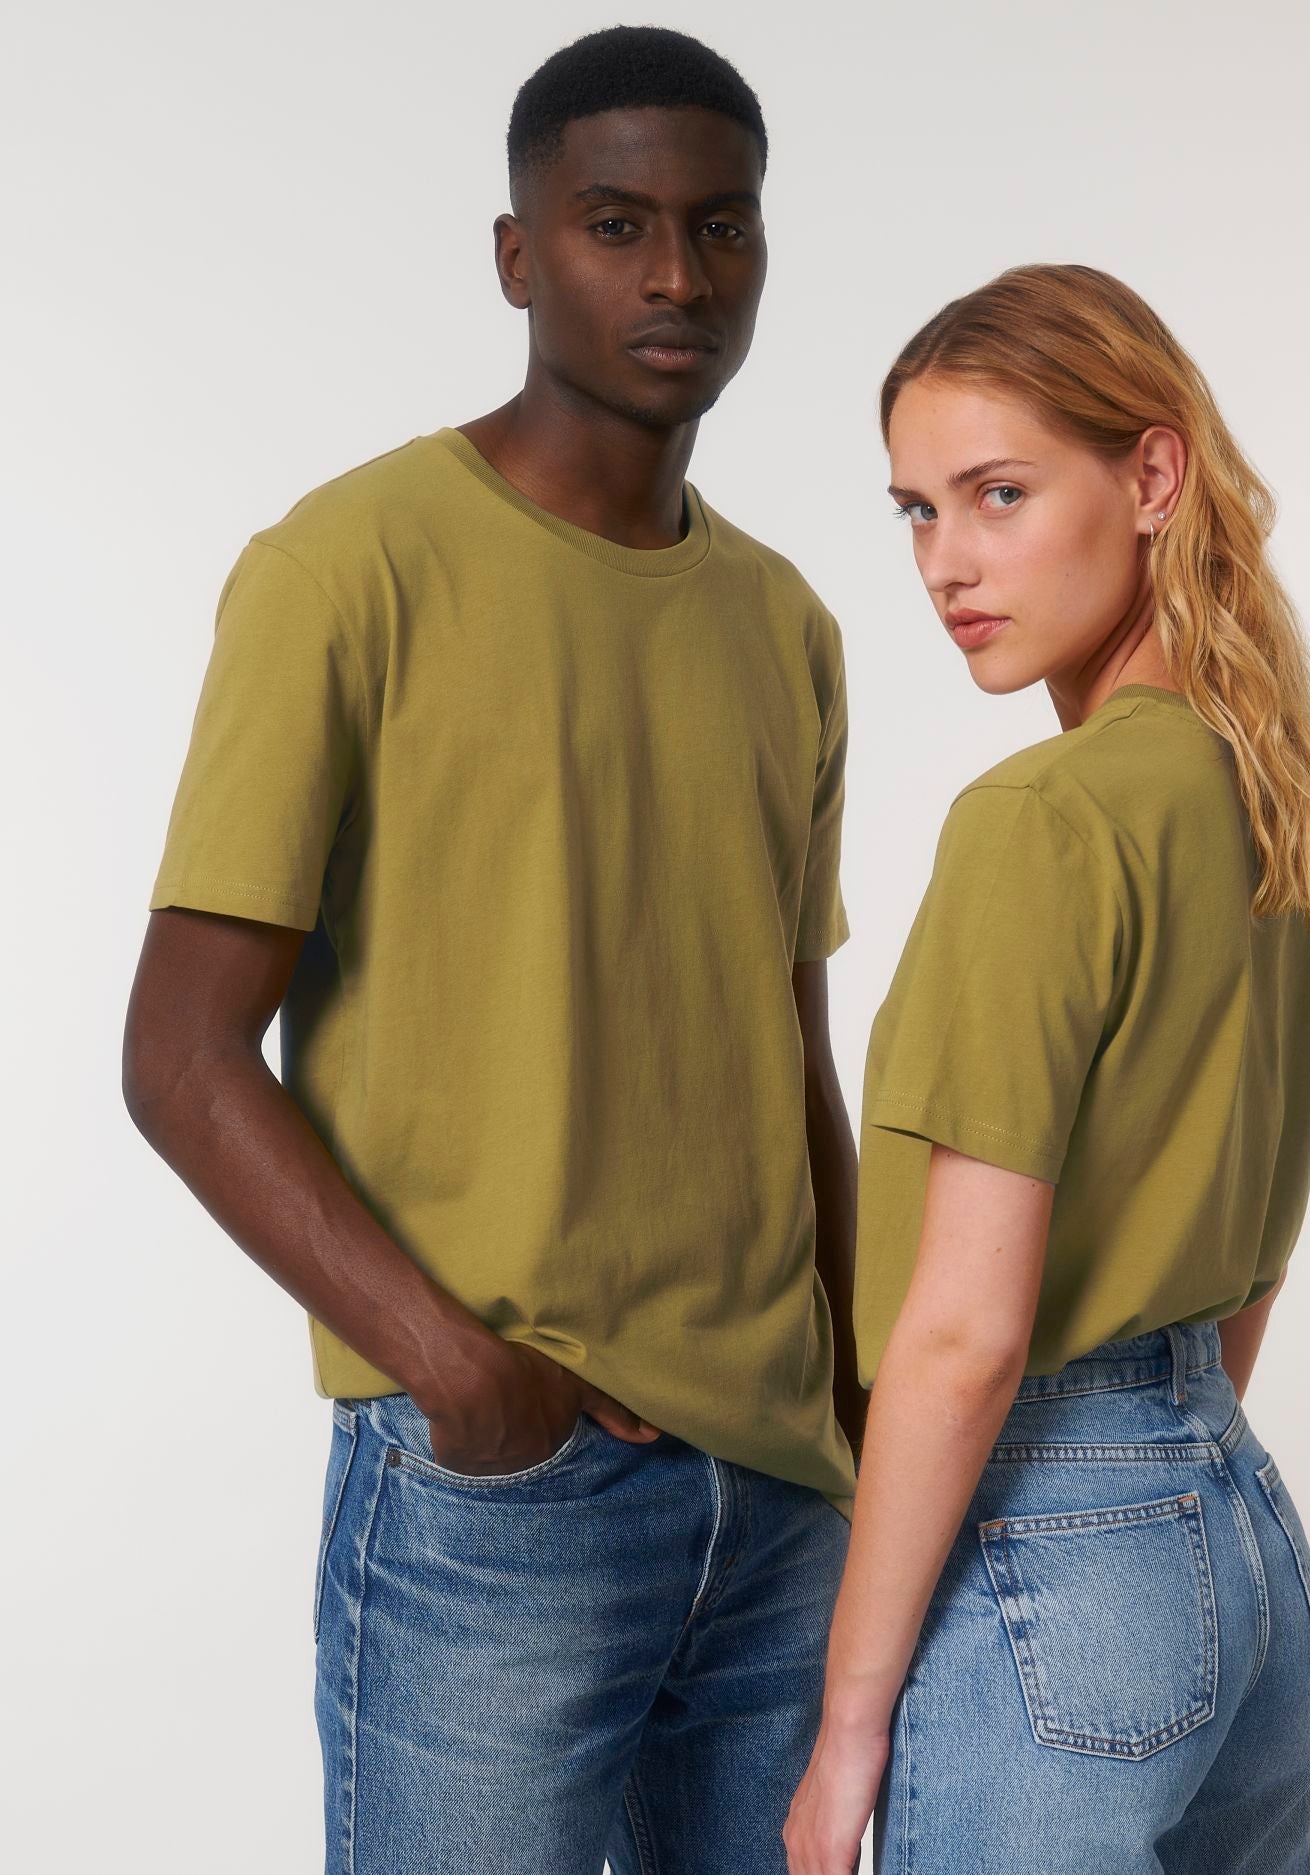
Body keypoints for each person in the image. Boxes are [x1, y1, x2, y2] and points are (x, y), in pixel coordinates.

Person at [122, 26, 865, 1875]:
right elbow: (180, 1057)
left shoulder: (785, 623)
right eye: (618, 225)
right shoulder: (346, 569)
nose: (678, 275)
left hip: (786, 1505)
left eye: (721, 226)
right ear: (519, 256)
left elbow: (790, 1051)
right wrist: (451, 1369)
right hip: (505, 1500)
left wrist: (855, 1400)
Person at [785, 263, 1310, 1875]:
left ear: (1153, 477)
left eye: (1000, 495)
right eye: (917, 512)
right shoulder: (1277, 810)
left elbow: (964, 1334)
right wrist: (1161, 1478)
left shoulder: (1043, 822)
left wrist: (847, 1724)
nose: (946, 564)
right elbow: (1259, 1255)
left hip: (1057, 1552)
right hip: (1239, 1537)